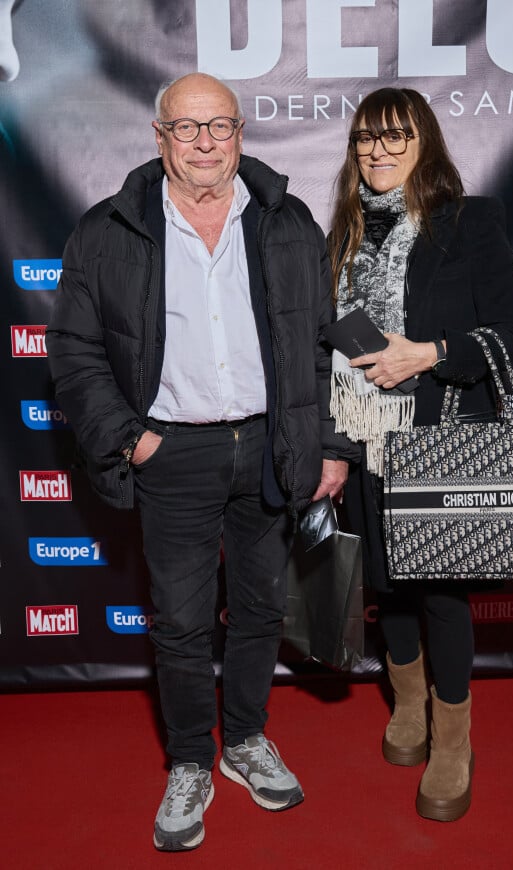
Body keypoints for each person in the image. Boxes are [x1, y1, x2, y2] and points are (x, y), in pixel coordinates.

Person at [46, 72, 349, 852]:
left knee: (258, 610)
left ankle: (245, 740)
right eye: (187, 128)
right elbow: (75, 354)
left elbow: (323, 347)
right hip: (172, 452)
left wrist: (327, 444)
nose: (206, 143)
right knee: (180, 622)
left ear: (240, 133)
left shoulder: (286, 221)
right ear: (160, 137)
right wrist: (132, 438)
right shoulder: (107, 230)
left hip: (271, 443)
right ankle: (190, 759)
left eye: (220, 126)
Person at [327, 87, 513, 822]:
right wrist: (335, 447)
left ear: (426, 143)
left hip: (439, 438)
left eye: (394, 138)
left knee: (441, 593)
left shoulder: (471, 221)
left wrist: (432, 354)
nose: (376, 152)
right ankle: (407, 706)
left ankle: (452, 737)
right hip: (365, 443)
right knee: (387, 587)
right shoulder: (345, 232)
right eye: (364, 140)